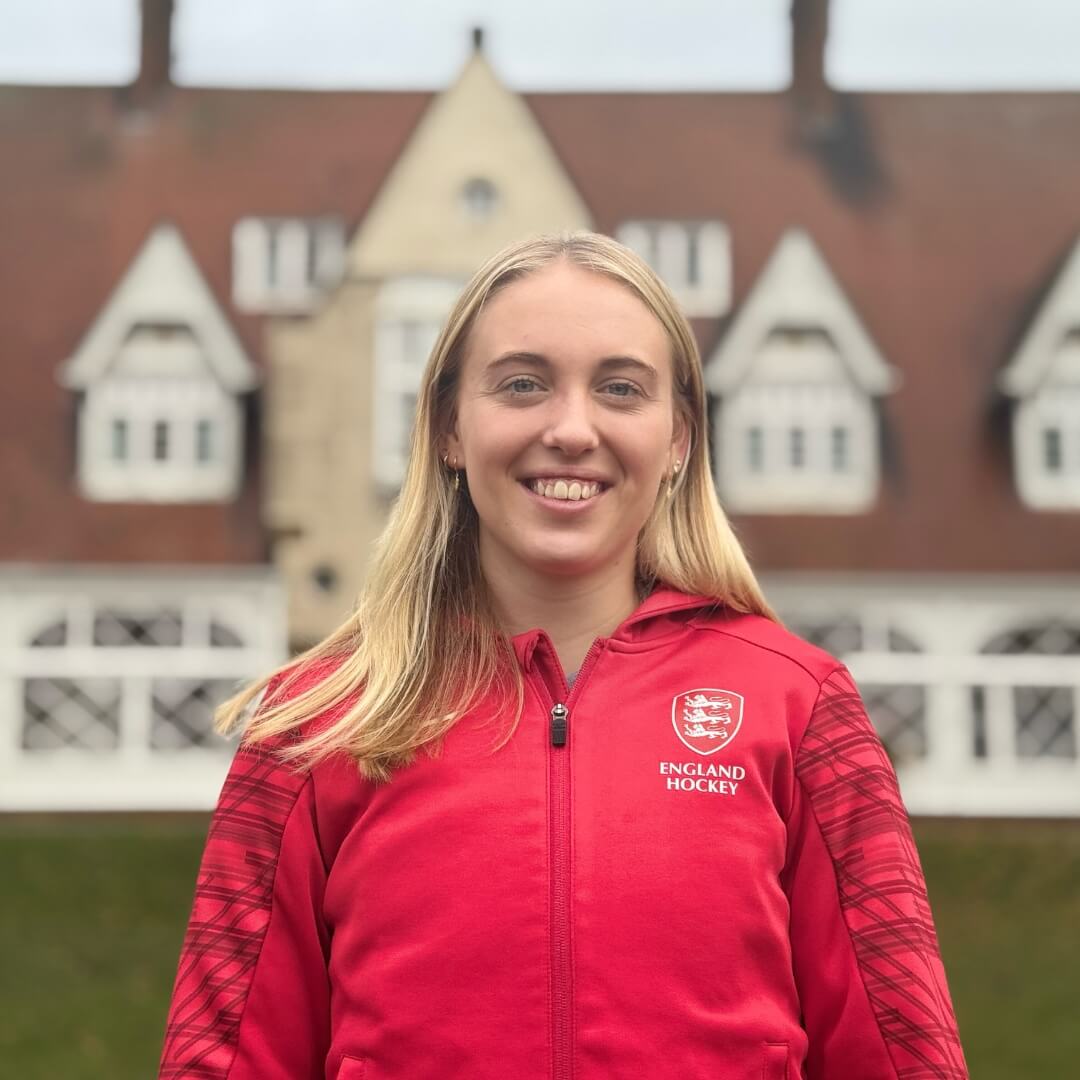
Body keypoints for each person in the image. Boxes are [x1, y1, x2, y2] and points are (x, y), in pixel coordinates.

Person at [157, 232, 968, 1080]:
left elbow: (904, 1058)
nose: (572, 429)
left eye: (620, 388)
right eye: (522, 384)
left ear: (679, 437)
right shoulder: (315, 727)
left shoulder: (798, 708)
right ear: (449, 427)